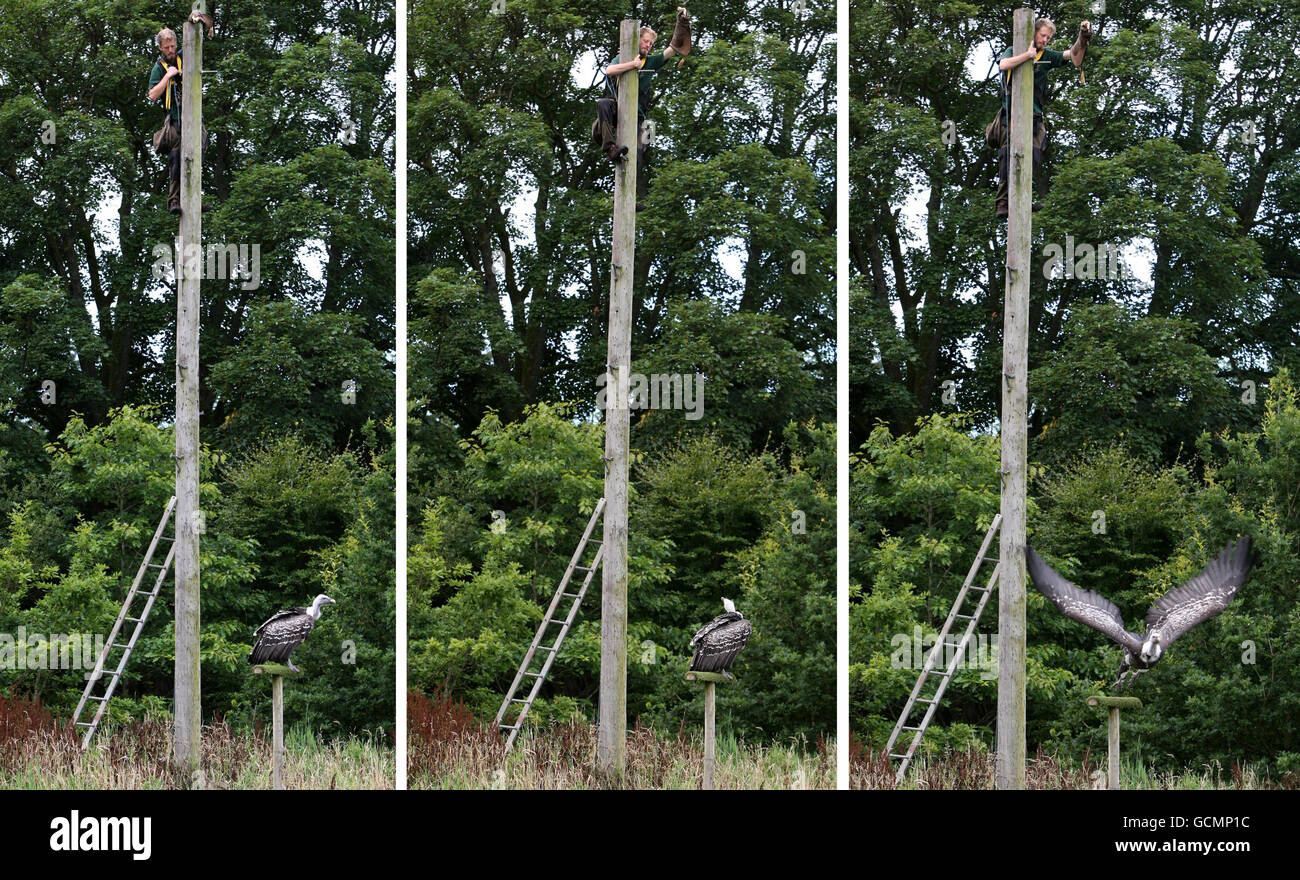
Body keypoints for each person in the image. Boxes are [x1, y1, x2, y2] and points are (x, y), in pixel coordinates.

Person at [992, 17, 1089, 219]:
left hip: (1034, 117)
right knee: (1007, 157)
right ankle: (1002, 202)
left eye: (1048, 37)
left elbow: (1072, 56)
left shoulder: (1047, 56)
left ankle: (1024, 199)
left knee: (1032, 157)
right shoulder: (1014, 50)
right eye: (1043, 35)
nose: (1045, 40)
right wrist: (1027, 55)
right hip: (1011, 115)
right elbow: (1003, 65)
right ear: (1033, 32)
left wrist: (1082, 38)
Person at [593, 19, 686, 201]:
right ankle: (610, 147)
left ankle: (632, 197)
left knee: (648, 131)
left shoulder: (649, 62)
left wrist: (682, 25)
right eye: (646, 41)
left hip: (637, 120)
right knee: (603, 103)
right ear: (637, 40)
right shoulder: (625, 57)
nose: (648, 45)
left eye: (651, 43)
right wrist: (632, 66)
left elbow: (672, 49)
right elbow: (610, 70)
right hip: (614, 116)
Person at [147, 11, 212, 215]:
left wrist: (197, 20)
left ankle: (194, 198)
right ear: (160, 48)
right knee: (176, 157)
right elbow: (152, 95)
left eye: (173, 46)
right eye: (166, 47)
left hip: (194, 116)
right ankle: (174, 199)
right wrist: (168, 77)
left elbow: (202, 38)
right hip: (174, 119)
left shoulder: (186, 54)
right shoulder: (159, 68)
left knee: (198, 153)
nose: (170, 50)